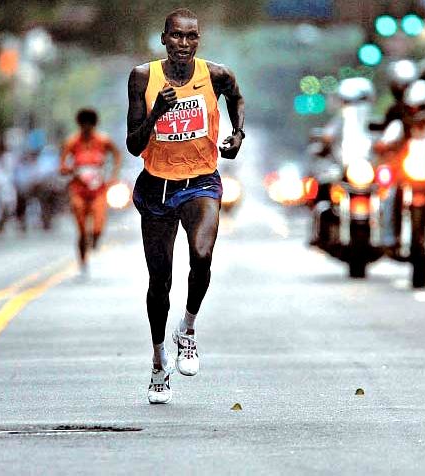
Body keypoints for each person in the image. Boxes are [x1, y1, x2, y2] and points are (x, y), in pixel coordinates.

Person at [126, 8, 244, 404]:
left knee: (202, 253)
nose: (183, 43)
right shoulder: (143, 77)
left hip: (201, 181)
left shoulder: (215, 75)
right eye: (176, 36)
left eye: (191, 37)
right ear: (163, 39)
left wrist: (237, 133)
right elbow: (132, 144)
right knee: (160, 282)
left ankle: (188, 330)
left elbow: (236, 97)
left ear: (198, 40)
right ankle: (159, 360)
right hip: (157, 186)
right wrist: (158, 111)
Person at [60, 109, 121, 271]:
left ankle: (95, 238)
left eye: (89, 124)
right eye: (83, 124)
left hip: (98, 189)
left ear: (94, 125)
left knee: (99, 224)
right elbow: (62, 165)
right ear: (80, 125)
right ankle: (83, 260)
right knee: (81, 229)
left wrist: (114, 175)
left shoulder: (103, 140)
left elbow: (117, 155)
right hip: (78, 190)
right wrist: (71, 171)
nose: (86, 127)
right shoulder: (72, 142)